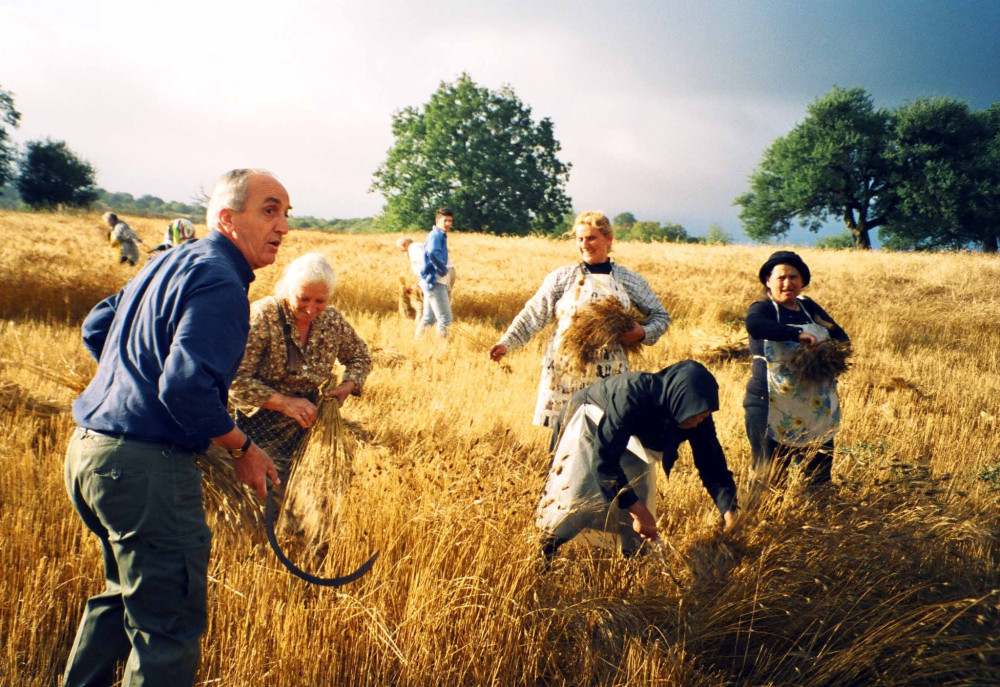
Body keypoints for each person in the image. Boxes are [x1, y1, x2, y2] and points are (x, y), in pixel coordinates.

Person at [63, 169, 289, 687]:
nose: (282, 226)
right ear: (227, 219)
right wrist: (242, 448)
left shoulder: (167, 260)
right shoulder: (223, 282)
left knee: (123, 597)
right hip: (144, 470)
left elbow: (97, 326)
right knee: (167, 629)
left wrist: (129, 381)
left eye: (286, 214)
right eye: (269, 210)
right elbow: (186, 390)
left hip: (90, 453)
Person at [536, 360, 737, 560]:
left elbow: (712, 463)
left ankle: (632, 559)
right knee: (577, 495)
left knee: (637, 491)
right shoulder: (632, 394)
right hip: (588, 422)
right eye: (695, 417)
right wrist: (639, 512)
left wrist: (729, 511)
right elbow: (604, 461)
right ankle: (544, 552)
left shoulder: (695, 412)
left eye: (702, 417)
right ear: (679, 399)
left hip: (630, 438)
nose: (696, 423)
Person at [489, 211, 670, 428]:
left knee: (606, 439)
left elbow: (661, 317)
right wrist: (506, 343)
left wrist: (642, 332)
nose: (585, 244)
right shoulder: (562, 277)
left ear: (608, 239)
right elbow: (533, 314)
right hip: (564, 374)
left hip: (611, 377)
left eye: (591, 238)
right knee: (564, 441)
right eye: (580, 239)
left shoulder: (628, 279)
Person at [229, 252, 372, 488]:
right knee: (267, 493)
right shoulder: (264, 315)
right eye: (303, 298)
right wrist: (283, 403)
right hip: (256, 424)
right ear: (287, 290)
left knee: (313, 489)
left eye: (320, 301)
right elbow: (234, 378)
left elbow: (360, 356)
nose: (311, 309)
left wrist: (348, 385)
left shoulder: (332, 320)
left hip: (307, 422)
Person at [743, 250, 850, 486]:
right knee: (770, 478)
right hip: (772, 405)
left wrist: (827, 350)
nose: (787, 283)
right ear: (767, 282)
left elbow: (839, 335)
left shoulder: (809, 307)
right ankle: (762, 520)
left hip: (814, 407)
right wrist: (797, 335)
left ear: (802, 282)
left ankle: (818, 518)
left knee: (819, 478)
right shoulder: (763, 309)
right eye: (780, 277)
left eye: (793, 277)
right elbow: (755, 326)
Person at [415, 208, 454, 338]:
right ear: (437, 221)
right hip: (435, 281)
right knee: (445, 319)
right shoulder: (436, 235)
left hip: (429, 281)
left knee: (429, 318)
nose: (448, 224)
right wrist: (442, 269)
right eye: (445, 220)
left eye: (450, 221)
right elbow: (432, 252)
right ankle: (442, 349)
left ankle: (418, 344)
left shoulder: (438, 234)